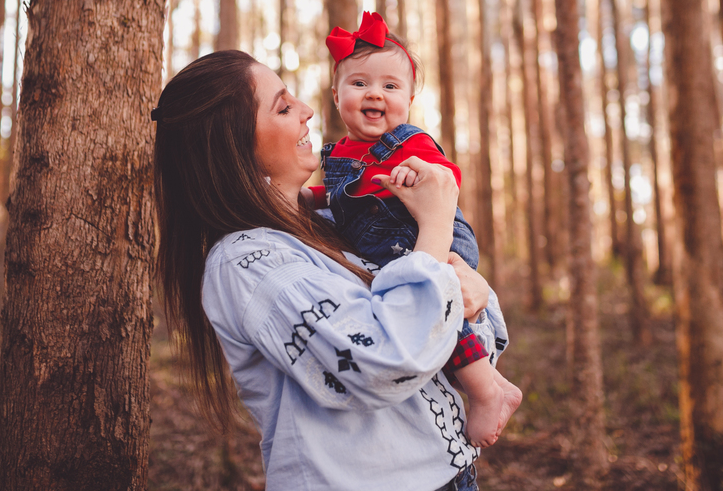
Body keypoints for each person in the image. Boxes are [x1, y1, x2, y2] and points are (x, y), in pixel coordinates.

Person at [153, 50, 501, 491]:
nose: (309, 110)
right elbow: (389, 362)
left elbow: (473, 329)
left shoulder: (335, 225)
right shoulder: (248, 263)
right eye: (283, 106)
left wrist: (474, 292)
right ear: (233, 145)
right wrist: (436, 228)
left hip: (454, 475)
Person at [306, 12, 522, 448]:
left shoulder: (408, 141)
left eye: (390, 86)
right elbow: (332, 201)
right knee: (415, 314)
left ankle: (487, 389)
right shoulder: (339, 155)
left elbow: (445, 178)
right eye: (360, 83)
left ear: (408, 98)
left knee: (433, 305)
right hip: (388, 248)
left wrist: (413, 173)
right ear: (336, 95)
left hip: (423, 232)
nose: (375, 94)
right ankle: (483, 385)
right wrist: (300, 200)